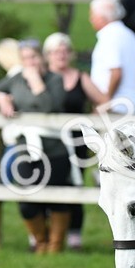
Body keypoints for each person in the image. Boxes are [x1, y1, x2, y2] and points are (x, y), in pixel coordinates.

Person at [0, 40, 69, 253]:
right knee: (26, 200)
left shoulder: (55, 80)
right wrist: (1, 98)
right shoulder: (16, 79)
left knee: (58, 198)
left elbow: (49, 107)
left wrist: (35, 82)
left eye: (33, 57)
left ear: (41, 57)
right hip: (26, 150)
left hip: (54, 148)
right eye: (25, 59)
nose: (30, 63)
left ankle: (55, 245)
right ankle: (40, 241)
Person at [44, 32, 98, 250]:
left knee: (75, 184)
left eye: (65, 51)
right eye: (57, 51)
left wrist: (93, 120)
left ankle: (74, 236)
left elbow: (103, 101)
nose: (61, 55)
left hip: (76, 141)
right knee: (49, 182)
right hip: (48, 141)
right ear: (48, 55)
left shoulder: (80, 77)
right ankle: (47, 235)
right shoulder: (43, 78)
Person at [88, 0, 135, 115]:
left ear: (101, 17)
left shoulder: (110, 36)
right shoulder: (129, 34)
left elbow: (116, 73)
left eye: (92, 15)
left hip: (117, 106)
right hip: (132, 104)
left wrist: (105, 103)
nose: (91, 19)